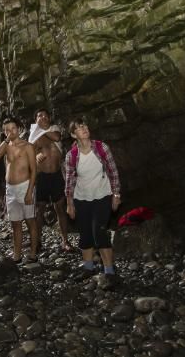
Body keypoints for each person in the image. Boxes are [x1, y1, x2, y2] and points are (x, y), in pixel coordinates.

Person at [65, 117, 121, 283]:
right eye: (79, 127)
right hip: (81, 198)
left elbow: (113, 171)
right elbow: (69, 181)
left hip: (103, 195)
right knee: (85, 234)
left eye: (85, 125)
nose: (84, 128)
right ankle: (88, 268)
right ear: (73, 134)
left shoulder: (101, 148)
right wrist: (70, 204)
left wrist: (116, 194)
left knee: (99, 232)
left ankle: (109, 271)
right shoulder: (72, 155)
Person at [0, 117, 40, 263]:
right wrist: (6, 140)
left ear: (19, 129)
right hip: (10, 189)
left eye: (13, 129)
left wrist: (29, 192)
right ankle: (17, 255)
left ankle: (33, 254)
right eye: (7, 130)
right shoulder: (6, 145)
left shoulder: (28, 146)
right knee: (15, 223)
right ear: (4, 132)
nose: (11, 132)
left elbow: (34, 171)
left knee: (30, 221)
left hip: (25, 186)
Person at [29, 109, 72, 252]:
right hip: (41, 177)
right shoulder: (32, 134)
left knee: (60, 207)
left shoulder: (54, 129)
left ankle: (65, 241)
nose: (43, 117)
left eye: (46, 116)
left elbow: (56, 138)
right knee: (39, 209)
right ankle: (37, 241)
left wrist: (41, 129)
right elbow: (30, 152)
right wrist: (35, 156)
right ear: (35, 119)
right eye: (40, 115)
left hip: (56, 175)